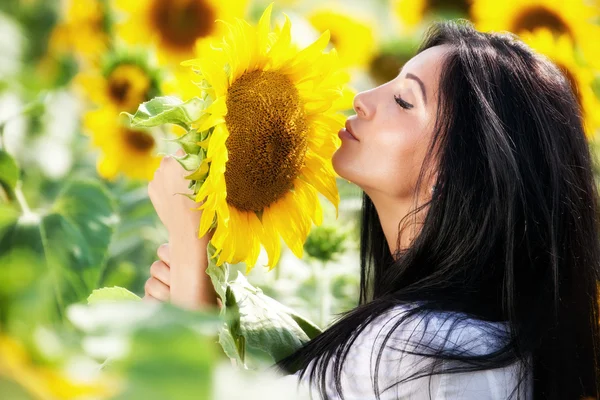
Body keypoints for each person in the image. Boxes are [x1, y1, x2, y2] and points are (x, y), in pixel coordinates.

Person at [143, 19, 600, 400]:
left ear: (459, 174)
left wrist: (190, 246)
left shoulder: (420, 352)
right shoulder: (496, 343)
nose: (363, 98)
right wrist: (194, 291)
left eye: (404, 100)